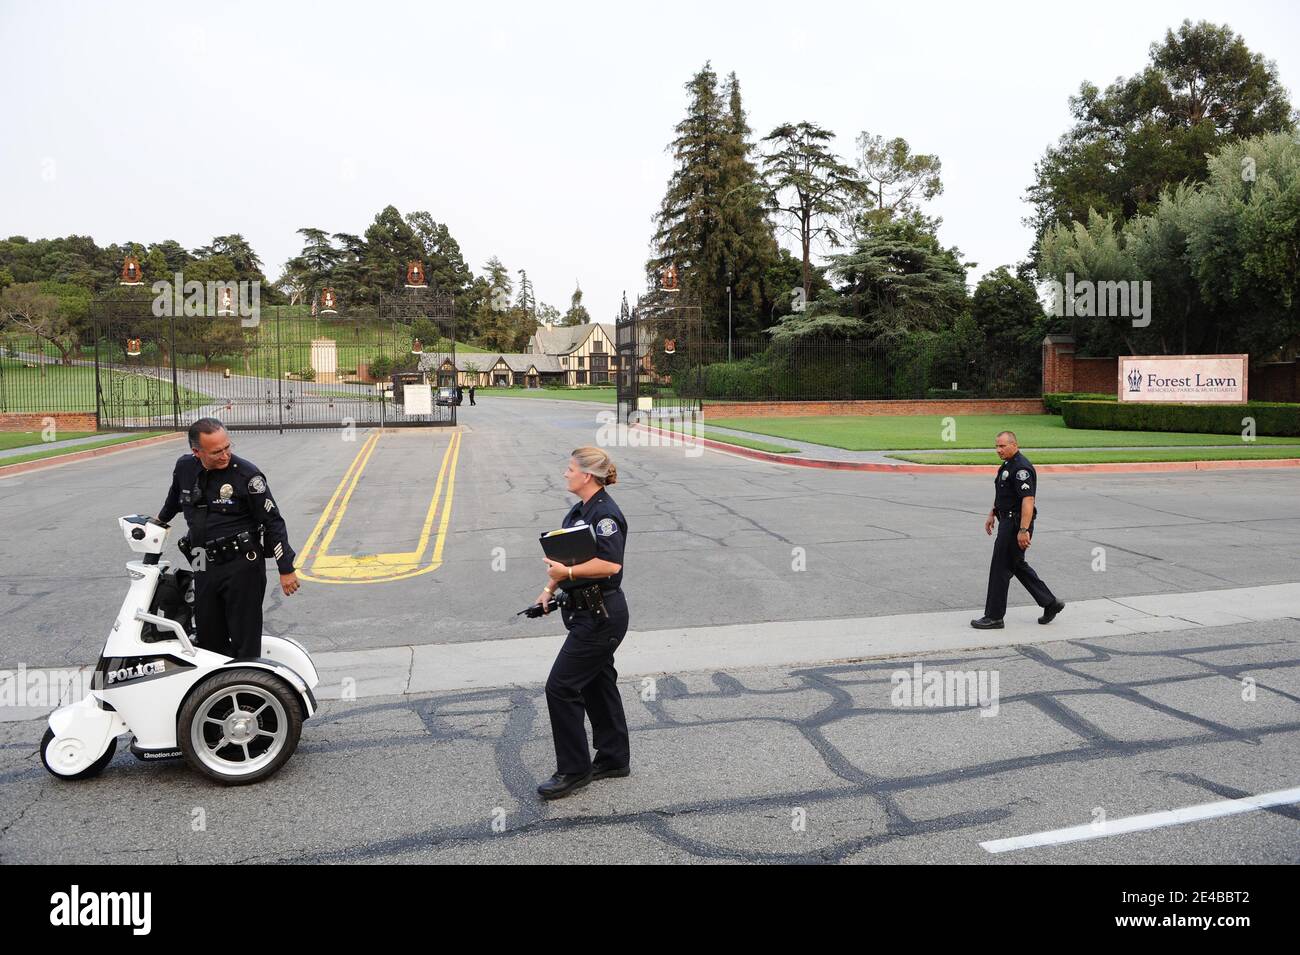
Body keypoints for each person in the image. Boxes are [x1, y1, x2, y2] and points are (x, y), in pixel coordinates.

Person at [534, 446, 630, 800]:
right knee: (597, 684)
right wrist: (549, 589)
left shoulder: (605, 515)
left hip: (601, 616)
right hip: (583, 612)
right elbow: (564, 557)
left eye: (570, 468)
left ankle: (573, 771)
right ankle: (614, 758)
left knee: (560, 687)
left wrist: (568, 572)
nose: (565, 473)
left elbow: (611, 565)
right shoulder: (580, 511)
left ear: (587, 475)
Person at [158, 417, 300, 657]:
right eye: (216, 452)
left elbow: (273, 521)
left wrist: (286, 568)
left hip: (242, 565)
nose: (225, 455)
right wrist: (158, 522)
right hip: (201, 558)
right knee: (208, 639)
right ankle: (219, 692)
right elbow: (175, 499)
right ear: (196, 451)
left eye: (227, 447)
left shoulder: (247, 475)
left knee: (245, 641)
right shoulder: (185, 468)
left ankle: (248, 692)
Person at [972, 430, 1064, 630]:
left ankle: (994, 617)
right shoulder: (1008, 465)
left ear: (1015, 445)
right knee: (1016, 565)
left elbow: (1028, 500)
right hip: (1008, 520)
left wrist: (1023, 530)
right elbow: (1006, 496)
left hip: (1015, 524)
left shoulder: (1021, 468)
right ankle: (1050, 602)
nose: (998, 450)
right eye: (996, 446)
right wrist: (993, 512)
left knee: (1000, 568)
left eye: (1002, 446)